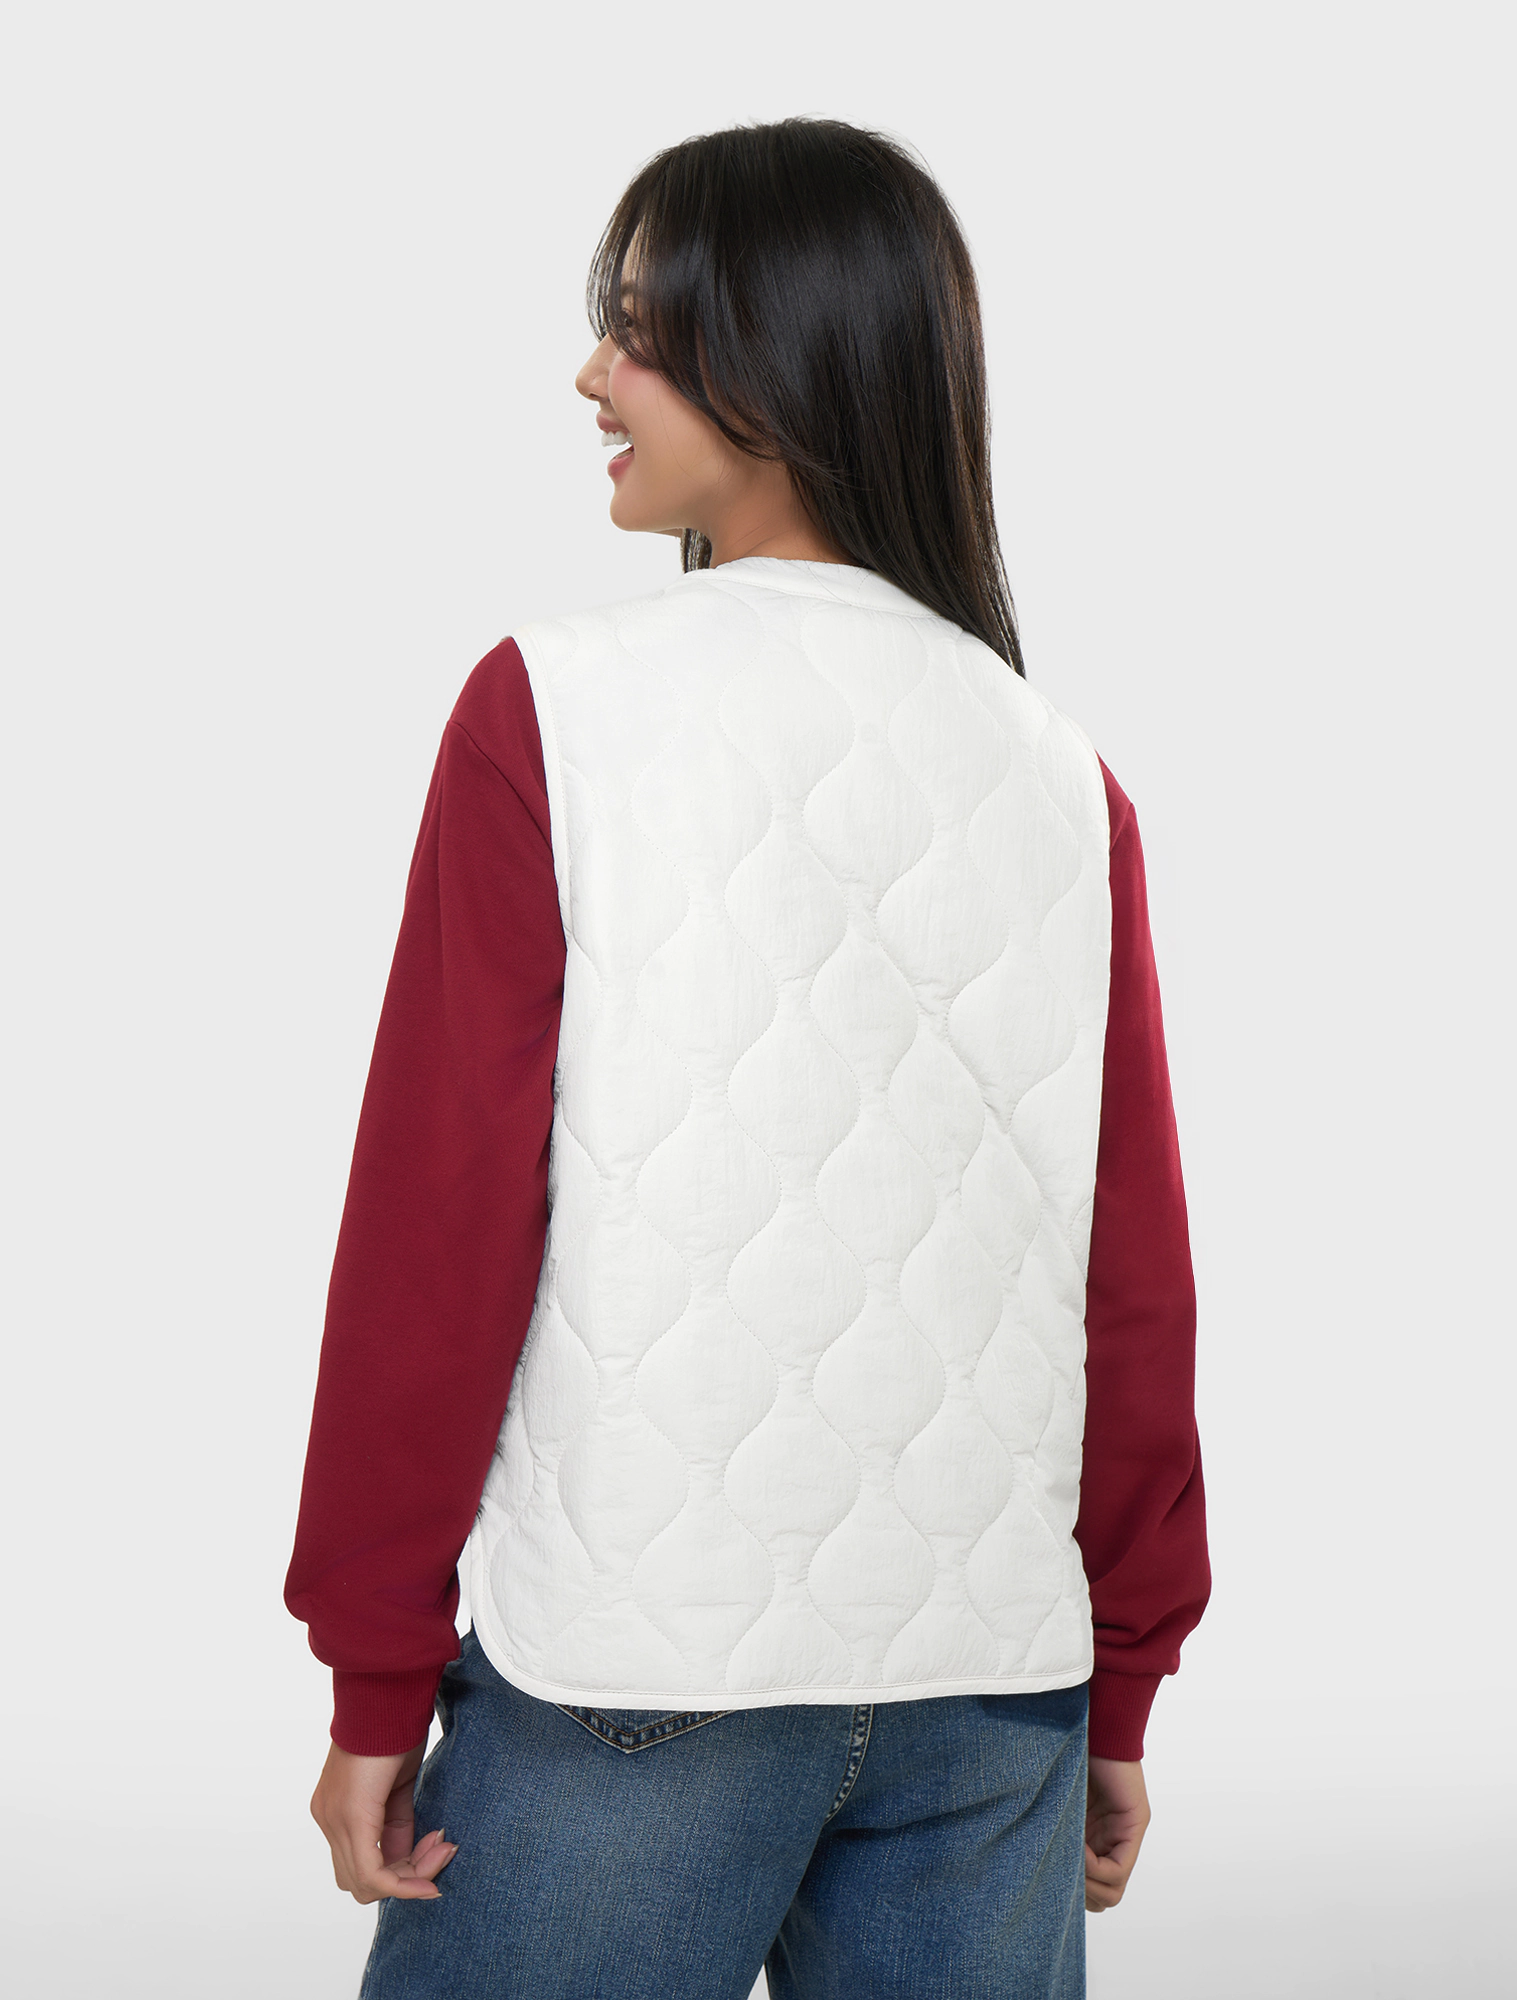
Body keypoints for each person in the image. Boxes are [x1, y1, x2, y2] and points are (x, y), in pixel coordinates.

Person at [285, 115, 1210, 2000]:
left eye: (639, 329)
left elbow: (437, 1227)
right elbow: (1129, 1281)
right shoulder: (1063, 775)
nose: (590, 374)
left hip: (639, 1677)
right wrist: (1118, 1680)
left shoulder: (549, 712)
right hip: (990, 1698)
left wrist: (376, 1667)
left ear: (780, 361)